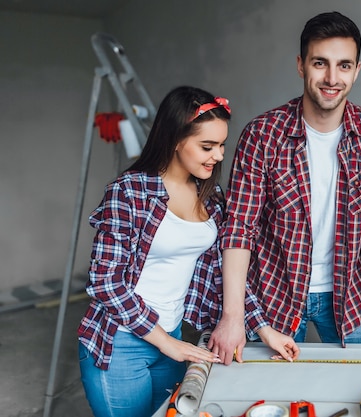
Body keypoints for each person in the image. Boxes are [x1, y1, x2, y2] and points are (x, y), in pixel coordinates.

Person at [219, 11, 361, 362]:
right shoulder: (262, 135)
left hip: (347, 298)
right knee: (266, 404)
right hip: (273, 295)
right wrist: (232, 315)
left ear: (357, 70)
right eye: (320, 63)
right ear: (301, 65)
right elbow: (240, 228)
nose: (332, 78)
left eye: (344, 66)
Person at [77, 86, 297, 417]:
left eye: (221, 145)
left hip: (174, 338)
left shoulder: (210, 195)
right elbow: (106, 281)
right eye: (207, 146)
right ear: (176, 139)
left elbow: (225, 275)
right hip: (121, 344)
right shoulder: (130, 192)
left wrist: (265, 331)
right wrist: (168, 343)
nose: (219, 155)